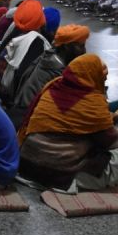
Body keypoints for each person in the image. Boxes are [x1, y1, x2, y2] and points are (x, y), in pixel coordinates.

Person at [17, 54, 118, 192]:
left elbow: (71, 118)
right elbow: (110, 142)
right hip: (60, 175)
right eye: (103, 79)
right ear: (94, 77)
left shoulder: (52, 88)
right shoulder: (92, 102)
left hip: (28, 165)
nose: (104, 84)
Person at [9, 25, 89, 123]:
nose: (84, 51)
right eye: (80, 46)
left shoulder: (50, 56)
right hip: (28, 117)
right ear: (66, 47)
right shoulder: (57, 71)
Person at [0, 0, 51, 108]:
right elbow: (24, 80)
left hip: (1, 93)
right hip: (12, 101)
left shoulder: (14, 30)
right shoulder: (36, 42)